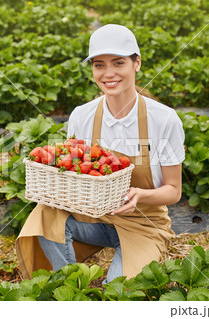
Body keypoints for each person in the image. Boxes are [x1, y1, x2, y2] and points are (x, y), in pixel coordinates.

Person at [16, 24, 185, 283]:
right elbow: (74, 176)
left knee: (118, 292)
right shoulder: (82, 116)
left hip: (143, 224)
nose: (108, 74)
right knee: (43, 214)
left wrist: (141, 195)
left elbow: (173, 191)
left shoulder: (163, 120)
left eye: (118, 63)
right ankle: (70, 286)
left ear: (136, 63)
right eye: (99, 65)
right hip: (93, 218)